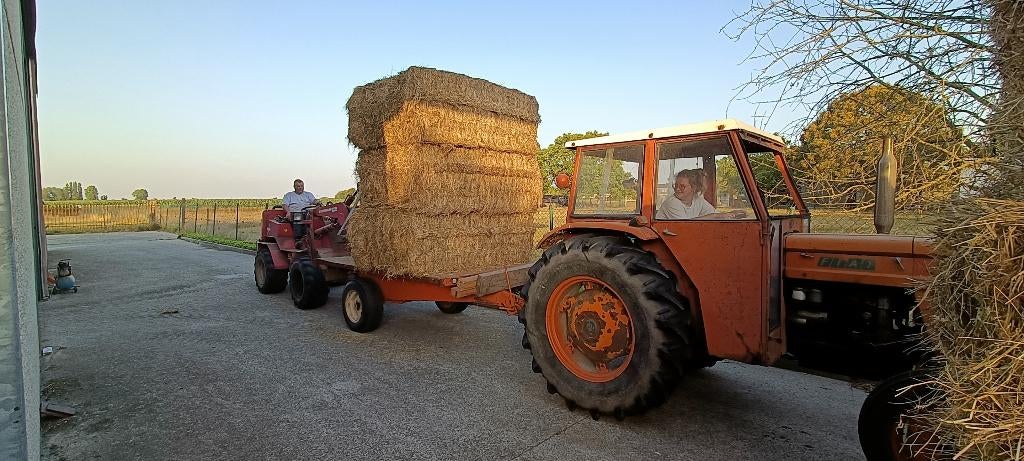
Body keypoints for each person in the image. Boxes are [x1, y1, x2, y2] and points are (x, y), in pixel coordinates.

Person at [656, 169, 745, 220]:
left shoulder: (697, 200)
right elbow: (685, 226)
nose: (677, 189)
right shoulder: (672, 203)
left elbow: (714, 214)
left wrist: (730, 213)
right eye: (675, 185)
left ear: (694, 187)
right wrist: (716, 215)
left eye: (682, 186)